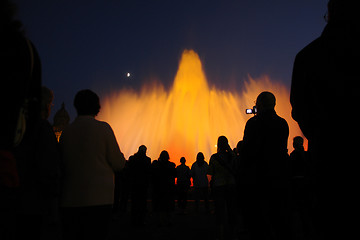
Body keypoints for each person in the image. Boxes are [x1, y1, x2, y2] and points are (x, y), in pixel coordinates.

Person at [290, 0, 358, 238]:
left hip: (327, 163)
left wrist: (320, 136)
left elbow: (298, 109)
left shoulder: (307, 57)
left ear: (329, 13)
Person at [59, 89, 126, 240]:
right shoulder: (103, 129)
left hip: (70, 200)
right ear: (97, 107)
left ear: (76, 106)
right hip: (99, 200)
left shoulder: (66, 132)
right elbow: (118, 163)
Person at [241, 91, 290, 240]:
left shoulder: (253, 123)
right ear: (274, 104)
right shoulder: (283, 123)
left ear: (259, 104)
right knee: (279, 220)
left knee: (259, 223)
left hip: (259, 180)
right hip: (279, 178)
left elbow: (248, 151)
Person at [207, 136, 237, 240]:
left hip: (218, 186)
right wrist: (229, 149)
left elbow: (210, 173)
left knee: (219, 210)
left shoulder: (214, 158)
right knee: (231, 209)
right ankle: (232, 233)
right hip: (231, 186)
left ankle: (221, 234)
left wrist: (210, 185)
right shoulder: (232, 156)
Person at [151, 150, 176, 227]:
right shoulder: (171, 166)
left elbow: (153, 175)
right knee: (169, 206)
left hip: (159, 188)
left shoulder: (156, 165)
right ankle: (169, 221)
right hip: (169, 189)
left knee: (159, 206)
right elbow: (175, 175)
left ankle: (160, 221)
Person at [127, 145, 151, 225]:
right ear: (145, 151)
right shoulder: (147, 160)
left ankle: (133, 220)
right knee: (142, 203)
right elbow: (148, 173)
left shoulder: (132, 159)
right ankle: (141, 220)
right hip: (143, 184)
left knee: (134, 202)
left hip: (134, 183)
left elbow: (129, 170)